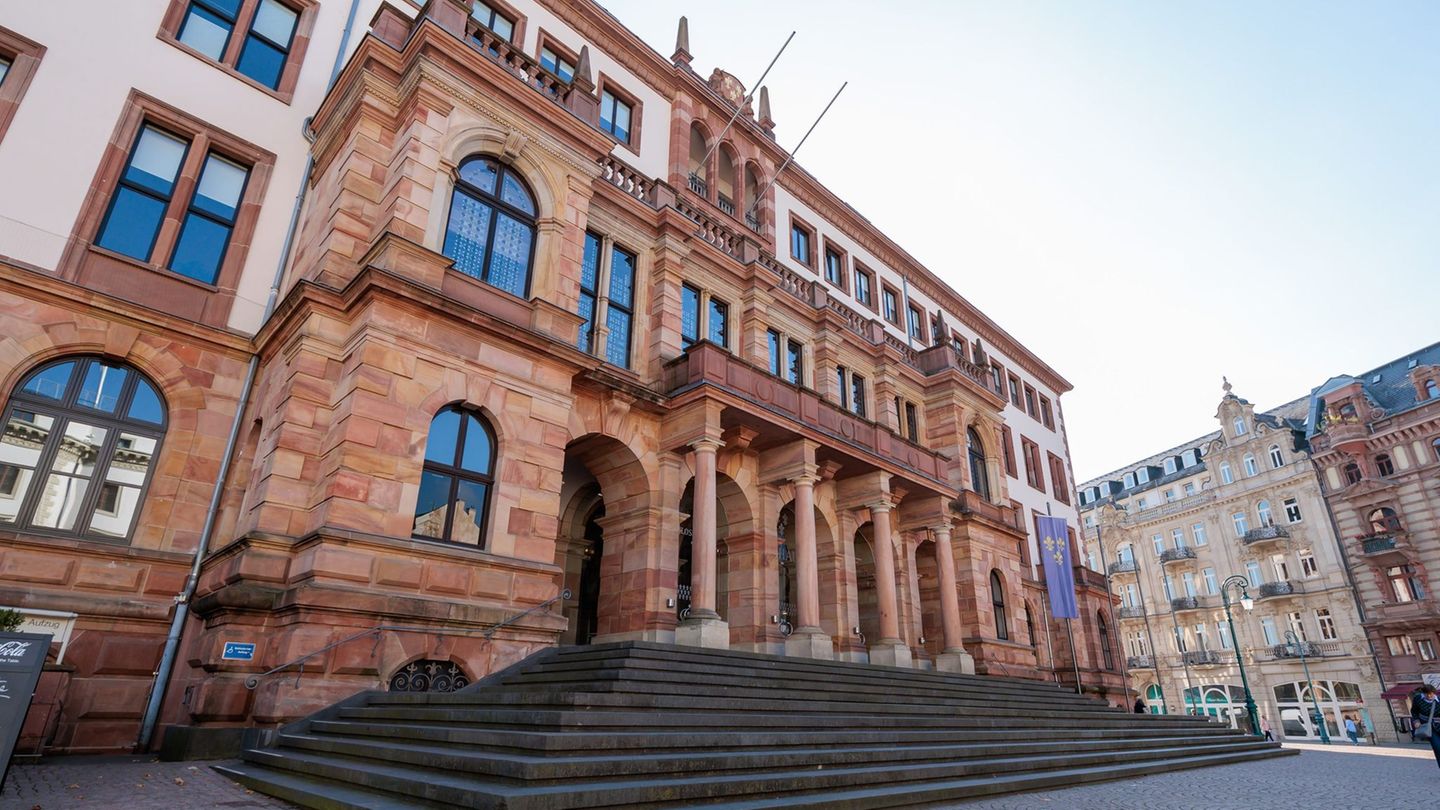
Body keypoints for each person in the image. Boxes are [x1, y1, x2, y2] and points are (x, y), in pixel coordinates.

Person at [1411, 683, 1440, 768]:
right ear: (1423, 693)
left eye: (1431, 693)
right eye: (1427, 694)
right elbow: (1414, 711)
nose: (1429, 696)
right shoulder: (1418, 699)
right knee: (1438, 748)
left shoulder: (1438, 699)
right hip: (1429, 728)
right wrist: (1416, 721)